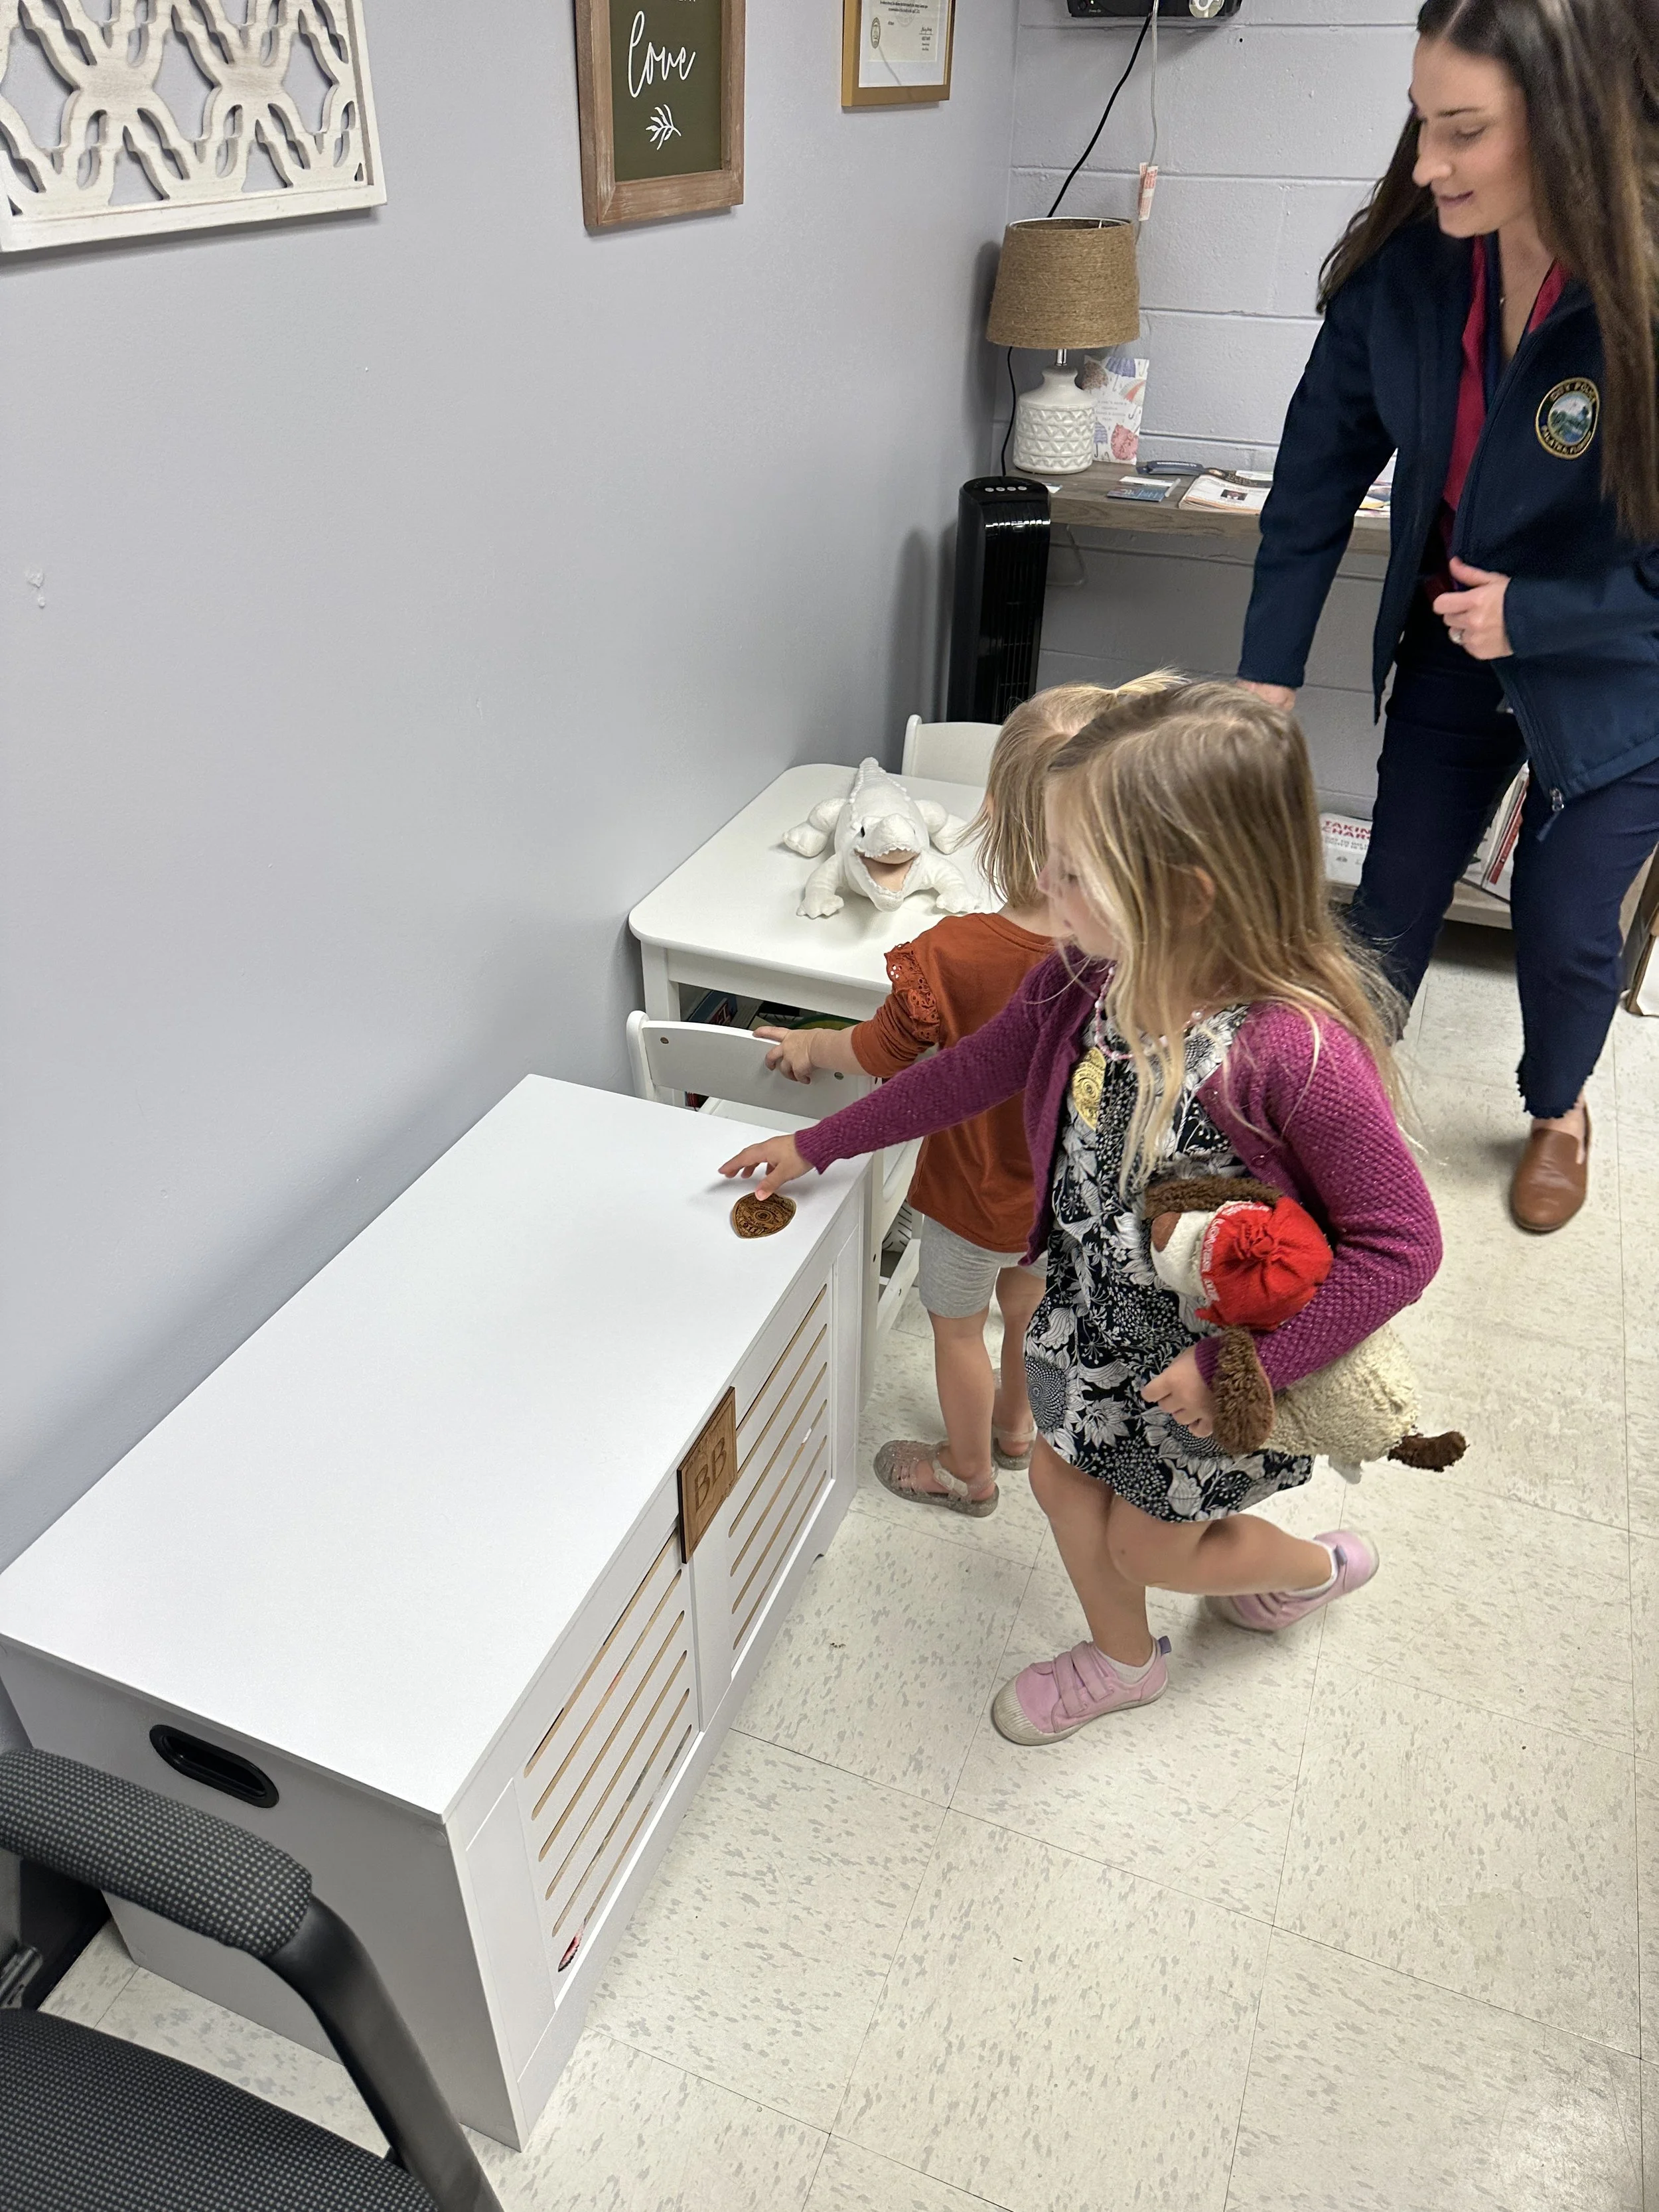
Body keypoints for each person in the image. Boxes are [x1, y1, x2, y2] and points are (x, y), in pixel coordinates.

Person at [719, 683, 1442, 1745]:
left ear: (1187, 893)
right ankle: (1122, 1658)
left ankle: (1307, 1568)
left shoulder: (1293, 1053)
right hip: (1088, 1324)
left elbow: (1403, 1244)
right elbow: (963, 1075)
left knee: (1154, 1545)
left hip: (1216, 1368)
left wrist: (1243, 1370)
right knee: (1057, 1479)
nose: (1042, 883)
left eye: (1071, 867)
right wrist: (818, 1142)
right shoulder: (1080, 984)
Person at [1237, 0, 1659, 1234]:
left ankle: (1558, 1107)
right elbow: (1318, 468)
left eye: (1462, 132)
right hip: (1455, 644)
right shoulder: (1416, 266)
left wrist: (1542, 615)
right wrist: (1265, 676)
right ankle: (1337, 1111)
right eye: (1421, 124)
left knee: (1567, 918)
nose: (1425, 166)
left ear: (1570, 126)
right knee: (1390, 900)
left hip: (1617, 666)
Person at [758, 682, 1127, 1516]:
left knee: (958, 1331)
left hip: (966, 1198)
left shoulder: (952, 951)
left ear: (992, 810)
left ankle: (966, 1472)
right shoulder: (1121, 959)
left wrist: (808, 1046)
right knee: (1026, 1310)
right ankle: (1015, 1429)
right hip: (1053, 1201)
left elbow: (883, 1052)